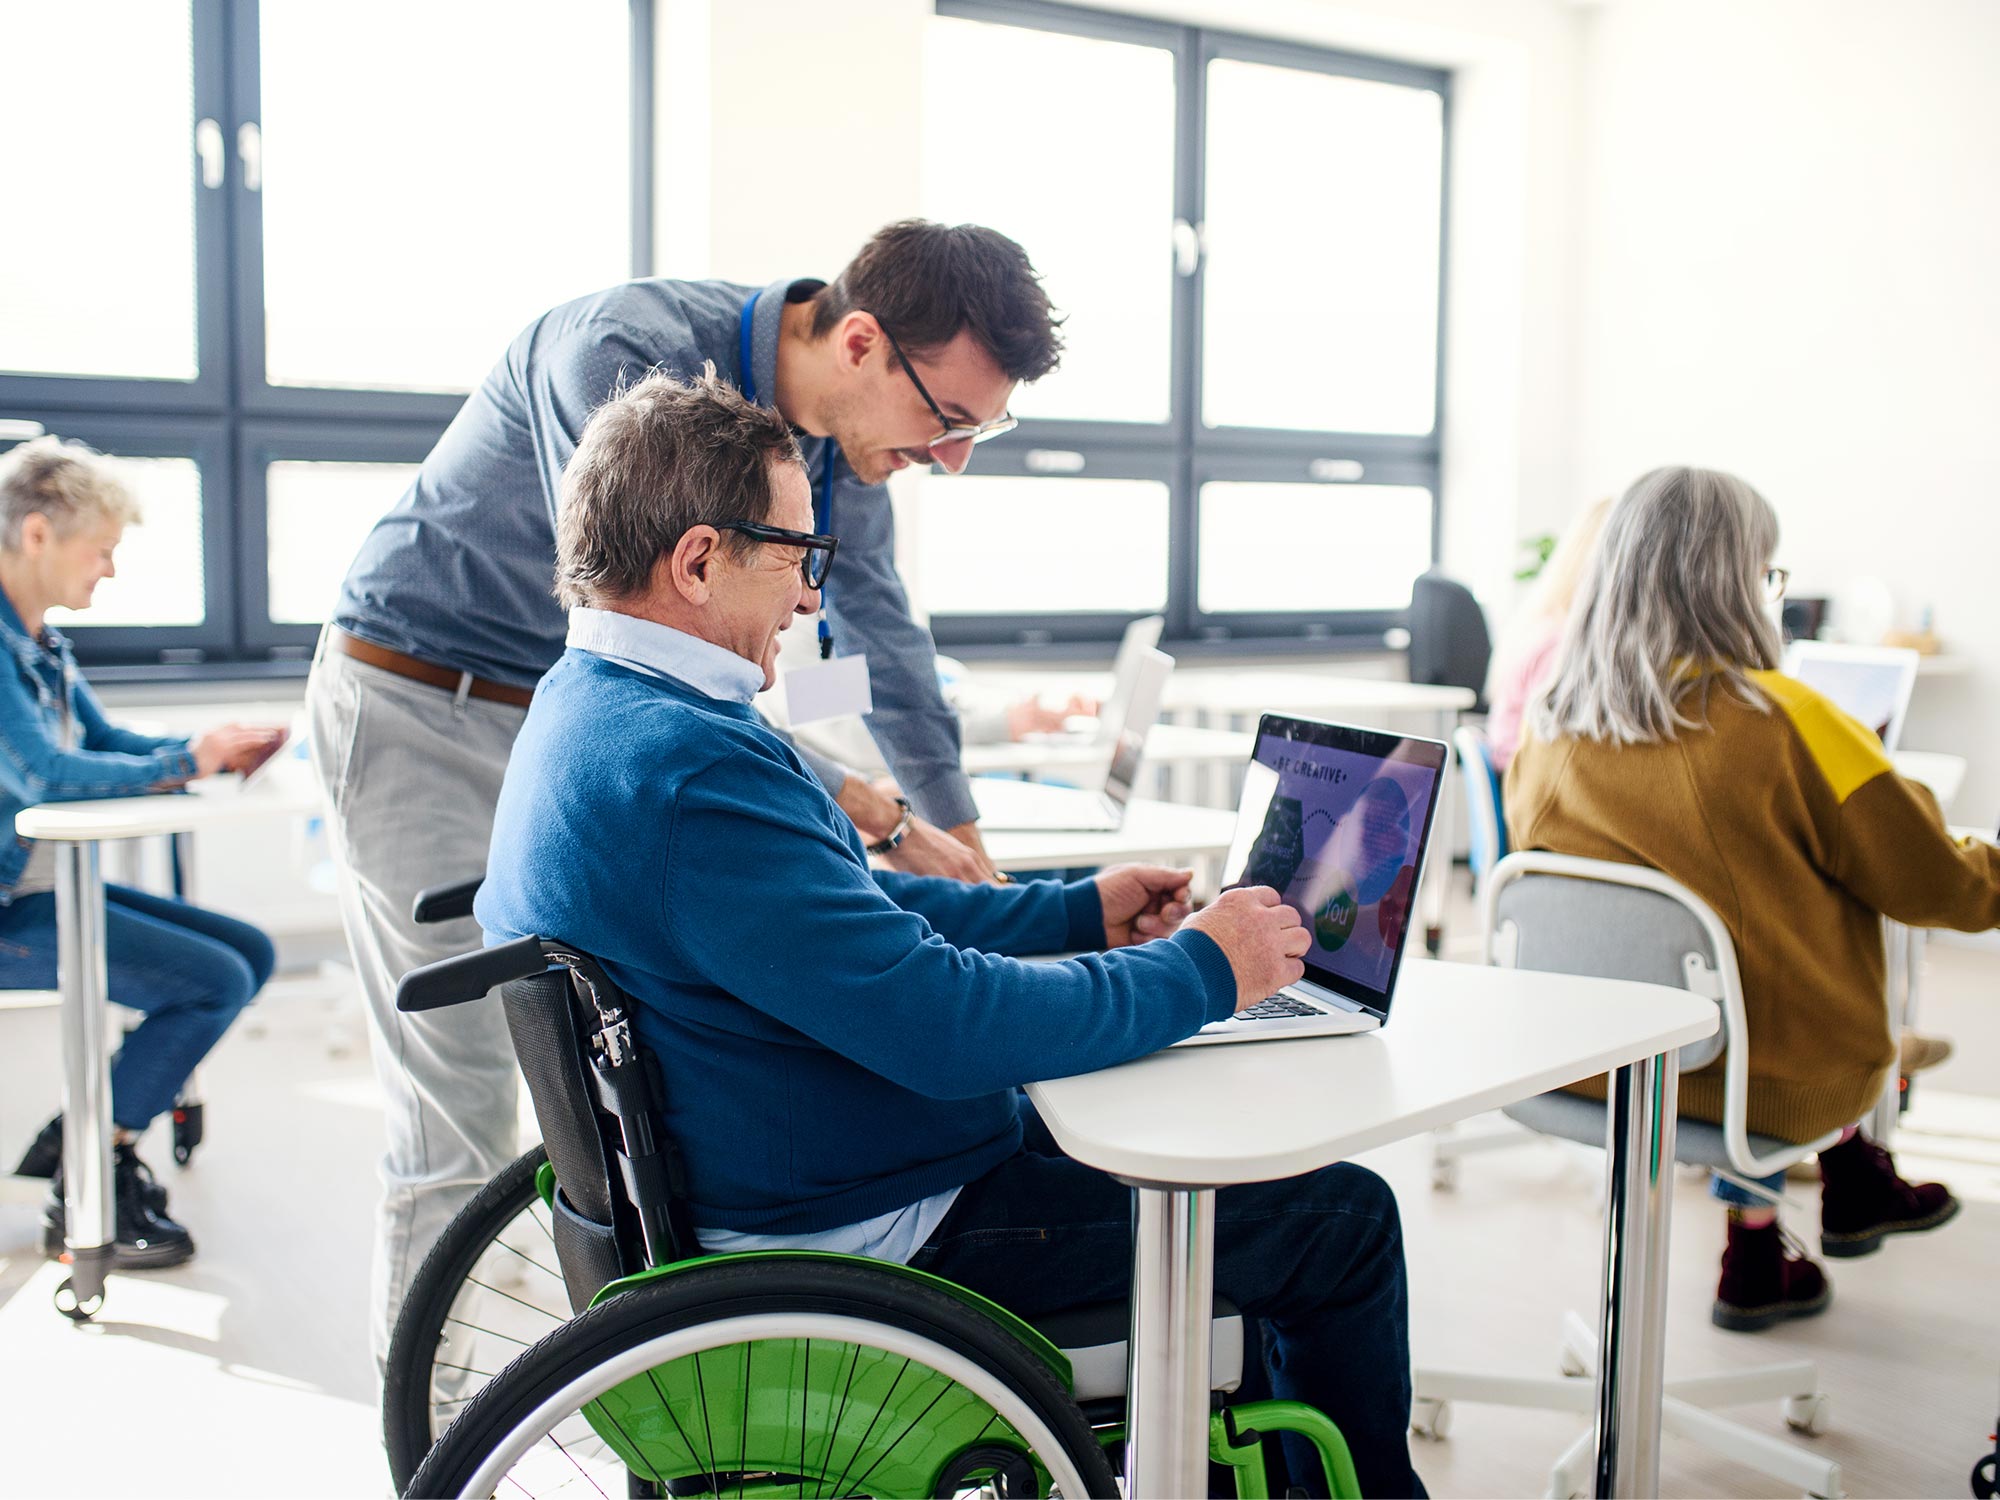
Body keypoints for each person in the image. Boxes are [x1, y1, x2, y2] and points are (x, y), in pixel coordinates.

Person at [475, 371, 1427, 1498]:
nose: (806, 601)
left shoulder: (594, 711)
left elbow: (854, 921)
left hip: (794, 1182)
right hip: (864, 1242)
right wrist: (1203, 969)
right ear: (697, 561)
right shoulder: (688, 769)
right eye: (796, 557)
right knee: (1339, 1217)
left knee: (1174, 1147)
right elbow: (945, 1025)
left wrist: (1073, 910)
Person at [307, 220, 1065, 1362]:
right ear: (861, 343)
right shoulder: (626, 361)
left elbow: (878, 645)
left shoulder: (836, 450)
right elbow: (640, 648)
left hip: (567, 713)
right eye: (948, 420)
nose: (952, 458)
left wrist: (953, 832)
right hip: (423, 695)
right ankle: (437, 1435)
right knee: (458, 1103)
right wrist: (874, 809)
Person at [1508, 466, 1984, 1332]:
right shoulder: (1788, 719)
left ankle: (1791, 1227)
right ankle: (1834, 1192)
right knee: (1791, 960)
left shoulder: (1550, 725)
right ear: (1734, 582)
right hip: (1762, 1085)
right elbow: (1936, 884)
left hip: (1586, 1070)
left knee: (1751, 923)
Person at [0, 437, 282, 1268]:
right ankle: (93, 1166)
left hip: (38, 888)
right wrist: (186, 761)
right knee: (213, 981)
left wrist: (208, 751)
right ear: (38, 534)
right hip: (11, 907)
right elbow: (45, 774)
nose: (111, 570)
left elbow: (105, 743)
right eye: (102, 550)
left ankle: (87, 1135)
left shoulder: (41, 645)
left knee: (250, 953)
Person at [1483, 498, 1610, 770]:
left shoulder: (1540, 617)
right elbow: (1549, 742)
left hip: (1516, 765)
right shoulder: (1559, 644)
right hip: (1522, 774)